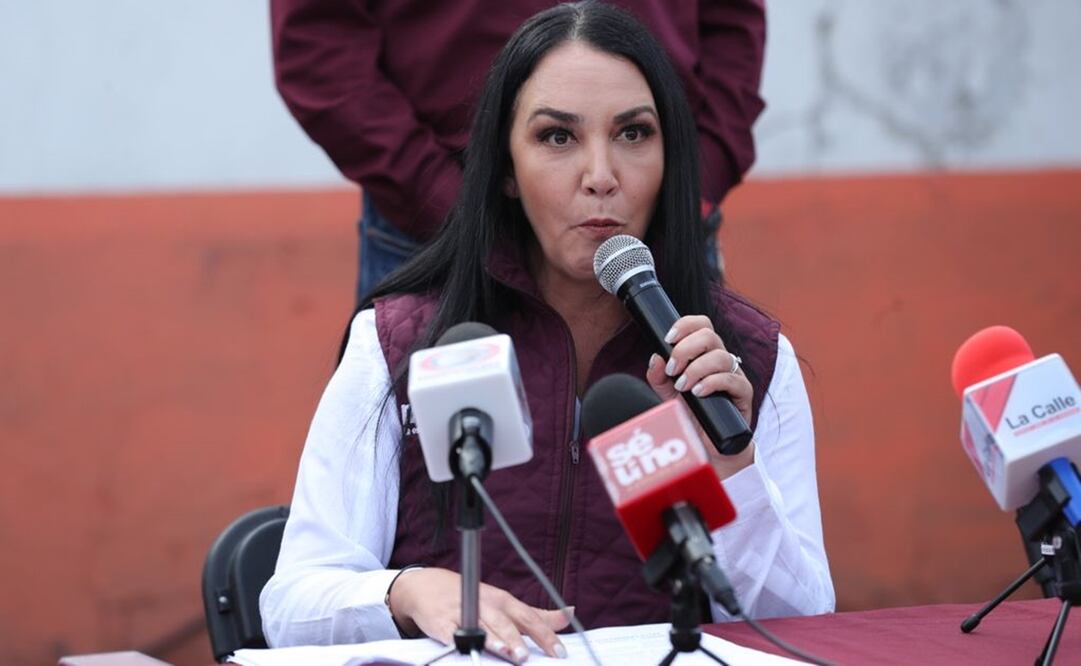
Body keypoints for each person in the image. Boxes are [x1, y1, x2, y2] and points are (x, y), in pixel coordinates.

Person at [261, 2, 833, 661]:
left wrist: (729, 471)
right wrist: (408, 592)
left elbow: (801, 624)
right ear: (503, 167)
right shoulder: (400, 345)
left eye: (634, 134)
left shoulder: (742, 361)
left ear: (674, 157)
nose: (600, 177)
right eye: (556, 138)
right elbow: (290, 608)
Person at [270, 0, 767, 303]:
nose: (593, 174)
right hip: (436, 222)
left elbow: (733, 19)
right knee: (437, 469)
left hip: (654, 219)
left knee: (682, 462)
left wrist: (695, 179)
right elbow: (318, 39)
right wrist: (448, 202)